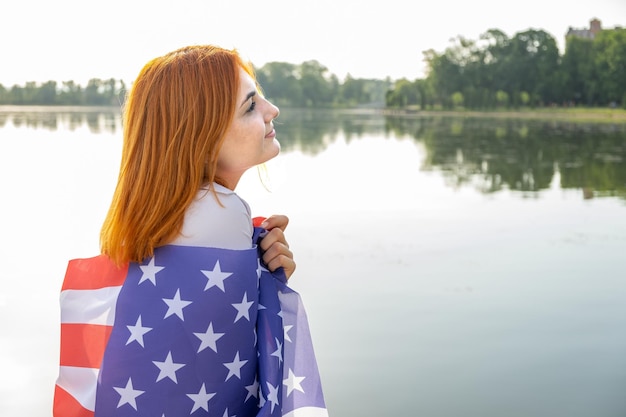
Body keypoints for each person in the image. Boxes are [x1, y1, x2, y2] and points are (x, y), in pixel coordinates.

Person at [54, 45, 327, 417]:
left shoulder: (160, 213)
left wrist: (260, 268)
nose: (270, 110)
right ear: (201, 138)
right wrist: (263, 275)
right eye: (250, 107)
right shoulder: (223, 211)